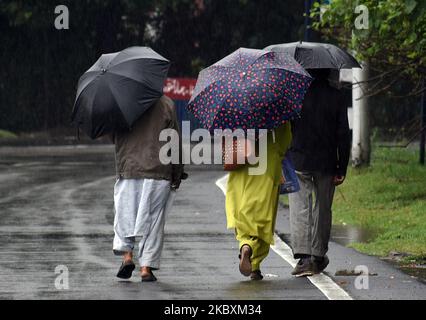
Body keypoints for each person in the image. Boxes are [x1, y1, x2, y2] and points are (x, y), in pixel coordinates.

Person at [112, 95, 185, 282]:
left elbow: (113, 135)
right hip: (158, 170)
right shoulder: (166, 104)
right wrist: (177, 173)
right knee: (153, 220)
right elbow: (174, 141)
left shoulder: (122, 102)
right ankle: (146, 268)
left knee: (125, 214)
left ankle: (127, 256)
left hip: (129, 168)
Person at [288, 69, 351, 277]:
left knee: (300, 207)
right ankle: (317, 256)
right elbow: (343, 133)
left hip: (299, 159)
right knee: (323, 208)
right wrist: (342, 166)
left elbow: (289, 127)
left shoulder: (295, 95)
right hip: (326, 162)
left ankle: (304, 258)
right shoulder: (337, 96)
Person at [226, 123, 292, 280]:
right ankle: (254, 262)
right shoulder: (279, 113)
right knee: (263, 218)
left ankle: (245, 245)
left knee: (241, 215)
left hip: (240, 169)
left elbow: (227, 139)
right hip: (267, 167)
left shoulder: (236, 111)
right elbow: (285, 142)